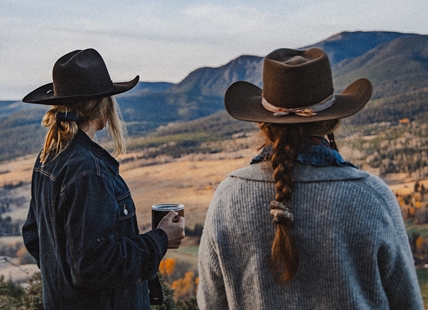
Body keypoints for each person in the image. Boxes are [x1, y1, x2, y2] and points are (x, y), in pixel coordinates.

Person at [197, 47, 423, 309]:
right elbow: (408, 303)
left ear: (262, 123)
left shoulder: (227, 197)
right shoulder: (372, 196)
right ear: (332, 122)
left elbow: (211, 303)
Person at [21, 48, 185, 310]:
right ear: (103, 105)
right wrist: (160, 239)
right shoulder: (88, 172)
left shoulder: (49, 158)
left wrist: (65, 279)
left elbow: (33, 235)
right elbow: (96, 264)